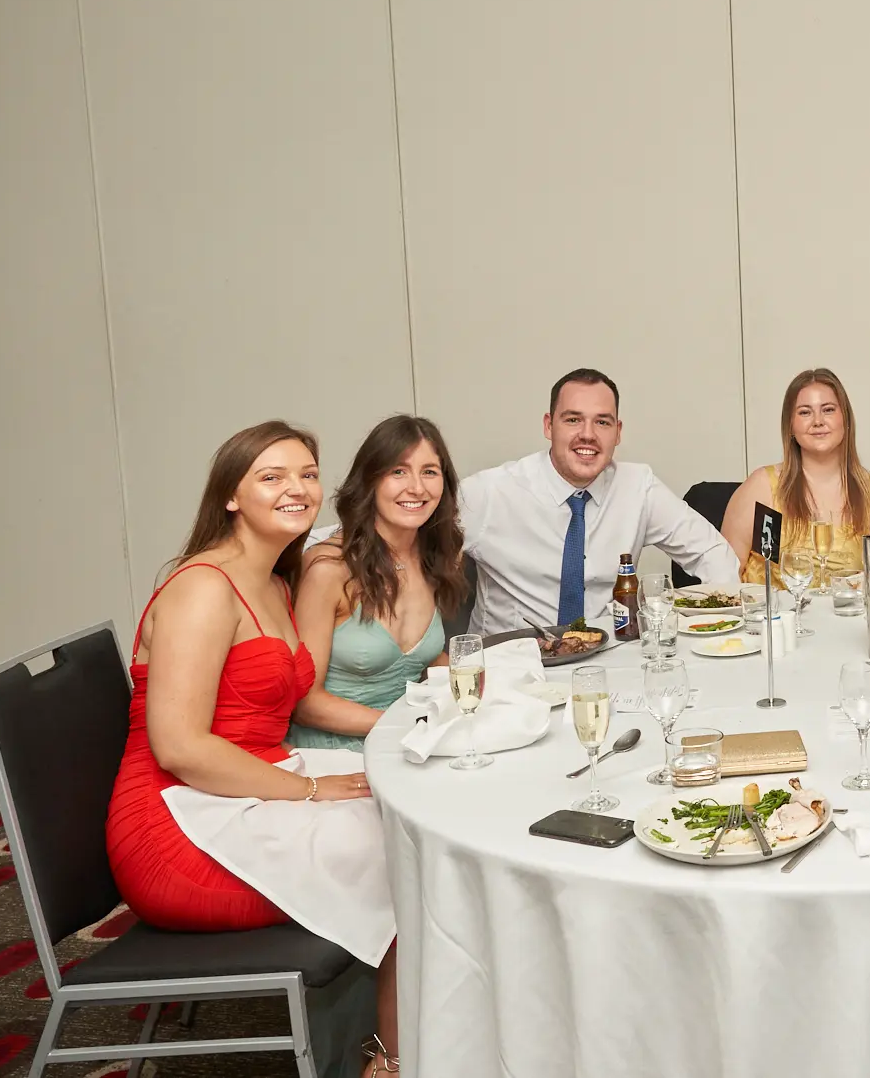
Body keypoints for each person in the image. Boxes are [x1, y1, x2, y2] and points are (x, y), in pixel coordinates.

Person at [105, 422, 399, 1076]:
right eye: (273, 476)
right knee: (407, 858)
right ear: (231, 495)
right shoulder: (204, 587)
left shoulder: (274, 577)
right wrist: (311, 790)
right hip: (176, 827)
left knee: (409, 813)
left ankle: (405, 1037)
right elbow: (179, 746)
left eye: (307, 474)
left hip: (247, 786)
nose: (298, 488)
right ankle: (390, 1057)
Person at [461, 369, 735, 635]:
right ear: (548, 425)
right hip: (512, 665)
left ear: (617, 432)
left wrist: (719, 626)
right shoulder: (490, 492)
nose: (588, 434)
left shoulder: (638, 487)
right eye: (573, 420)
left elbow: (710, 551)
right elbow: (422, 551)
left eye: (602, 422)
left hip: (605, 661)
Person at [288, 415, 466, 751]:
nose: (416, 487)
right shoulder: (329, 569)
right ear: (370, 480)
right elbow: (304, 704)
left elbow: (419, 660)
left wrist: (490, 679)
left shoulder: (439, 556)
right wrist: (405, 725)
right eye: (398, 471)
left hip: (409, 743)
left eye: (429, 471)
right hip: (336, 754)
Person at [722, 368, 870, 583]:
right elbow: (725, 577)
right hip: (775, 615)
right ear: (790, 426)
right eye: (805, 412)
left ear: (846, 419)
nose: (818, 421)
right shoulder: (764, 487)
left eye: (829, 410)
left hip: (847, 616)